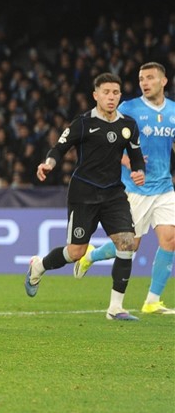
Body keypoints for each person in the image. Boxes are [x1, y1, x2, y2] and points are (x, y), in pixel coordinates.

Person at [26, 72, 146, 320]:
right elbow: (59, 148)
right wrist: (48, 164)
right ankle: (39, 266)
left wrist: (138, 172)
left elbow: (136, 156)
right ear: (96, 95)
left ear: (120, 96)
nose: (111, 97)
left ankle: (115, 308)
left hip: (113, 194)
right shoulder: (82, 123)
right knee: (76, 252)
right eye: (106, 92)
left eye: (115, 93)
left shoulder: (128, 125)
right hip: (84, 194)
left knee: (127, 244)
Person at [73, 63, 174, 315]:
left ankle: (152, 301)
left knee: (170, 239)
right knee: (131, 245)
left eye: (150, 78)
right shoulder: (128, 108)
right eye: (141, 79)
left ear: (163, 81)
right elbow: (106, 138)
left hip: (164, 186)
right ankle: (90, 256)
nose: (144, 82)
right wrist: (126, 159)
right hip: (134, 189)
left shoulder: (173, 111)